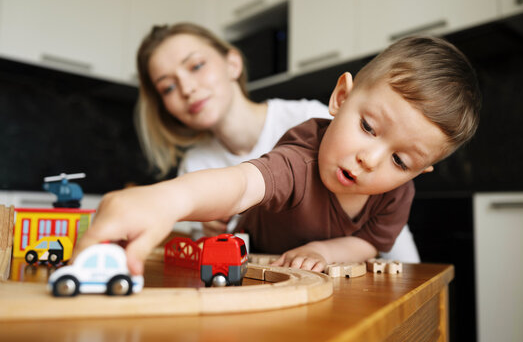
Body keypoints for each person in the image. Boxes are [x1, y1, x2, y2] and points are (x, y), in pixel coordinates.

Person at [75, 35, 480, 275]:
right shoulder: (302, 155)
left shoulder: (396, 193)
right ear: (340, 99)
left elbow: (372, 242)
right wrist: (166, 198)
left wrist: (325, 252)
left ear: (419, 172)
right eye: (368, 128)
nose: (370, 159)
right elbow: (242, 183)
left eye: (400, 162)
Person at [135, 22, 420, 262]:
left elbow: (386, 221)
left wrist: (416, 287)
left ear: (233, 63)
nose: (187, 88)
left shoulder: (313, 120)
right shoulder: (195, 165)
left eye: (196, 65)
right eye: (168, 87)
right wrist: (210, 230)